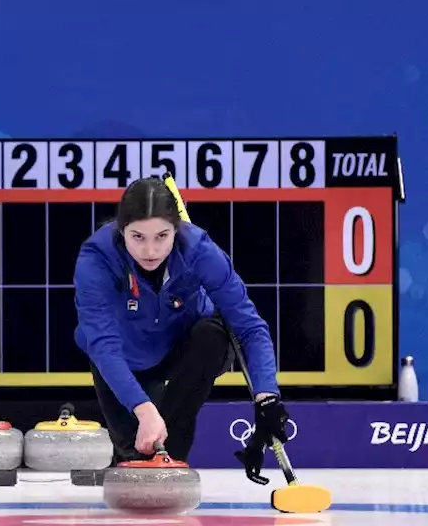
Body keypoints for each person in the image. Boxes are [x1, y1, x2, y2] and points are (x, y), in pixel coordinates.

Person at [72, 176, 290, 477]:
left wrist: (267, 396)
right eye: (138, 237)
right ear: (121, 231)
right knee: (134, 454)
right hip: (124, 356)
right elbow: (103, 345)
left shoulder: (199, 250)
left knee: (212, 336)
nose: (150, 250)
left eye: (162, 236)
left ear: (176, 229)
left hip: (184, 347)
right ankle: (137, 447)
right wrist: (144, 409)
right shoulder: (96, 259)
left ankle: (171, 457)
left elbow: (249, 326)